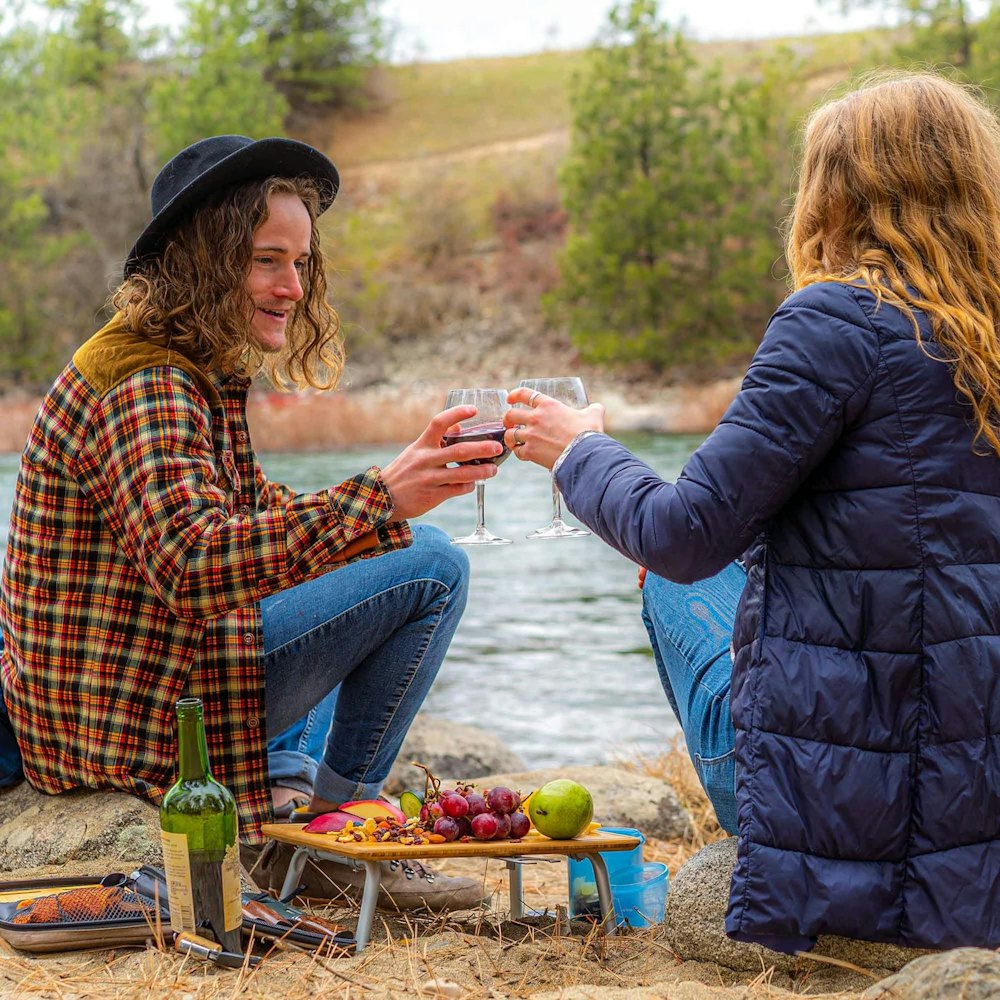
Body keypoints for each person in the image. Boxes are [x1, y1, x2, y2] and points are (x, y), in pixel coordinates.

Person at [503, 71, 1000, 952]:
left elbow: (684, 534)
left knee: (668, 573)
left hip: (851, 809)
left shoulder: (838, 322)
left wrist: (580, 451)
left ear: (835, 196)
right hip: (977, 796)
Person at [0, 134, 506, 911]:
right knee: (435, 568)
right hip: (132, 715)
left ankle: (288, 792)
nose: (293, 287)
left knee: (389, 547)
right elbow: (194, 562)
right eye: (268, 259)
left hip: (145, 684)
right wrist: (378, 500)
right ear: (204, 256)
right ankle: (342, 836)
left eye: (300, 263)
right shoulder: (146, 381)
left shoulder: (188, 365)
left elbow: (244, 517)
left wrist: (393, 495)